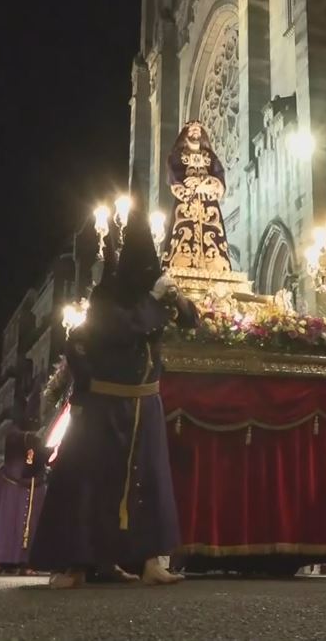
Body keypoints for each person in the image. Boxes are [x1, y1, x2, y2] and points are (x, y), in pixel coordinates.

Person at [32, 211, 199, 589]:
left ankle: (150, 561)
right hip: (105, 407)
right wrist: (156, 302)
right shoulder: (108, 295)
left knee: (149, 485)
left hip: (147, 403)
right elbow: (121, 329)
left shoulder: (153, 297)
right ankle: (77, 563)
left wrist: (178, 298)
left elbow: (192, 321)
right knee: (92, 485)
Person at [162, 120, 232, 271]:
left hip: (208, 204)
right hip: (187, 204)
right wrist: (188, 188)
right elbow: (175, 176)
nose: (196, 132)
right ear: (186, 133)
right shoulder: (177, 156)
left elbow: (219, 176)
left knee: (213, 236)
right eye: (192, 129)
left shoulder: (210, 157)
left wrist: (203, 183)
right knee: (183, 234)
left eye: (198, 130)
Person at [0, 422, 46, 574]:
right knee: (6, 522)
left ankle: (27, 563)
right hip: (12, 483)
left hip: (35, 482)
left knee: (33, 525)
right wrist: (33, 437)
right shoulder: (13, 433)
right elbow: (12, 436)